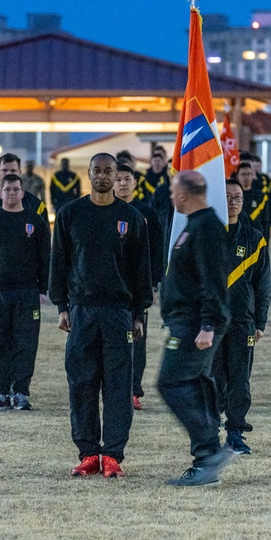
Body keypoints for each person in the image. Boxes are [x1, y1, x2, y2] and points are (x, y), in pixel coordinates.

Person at [50, 153, 152, 480]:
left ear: (116, 174)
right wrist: (61, 306)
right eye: (98, 171)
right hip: (81, 310)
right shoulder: (71, 214)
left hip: (119, 312)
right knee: (81, 382)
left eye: (110, 171)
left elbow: (141, 270)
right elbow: (59, 264)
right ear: (89, 173)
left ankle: (112, 455)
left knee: (118, 385)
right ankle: (88, 453)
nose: (104, 176)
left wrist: (139, 313)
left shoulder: (131, 217)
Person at [156, 170, 233, 487]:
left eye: (174, 191)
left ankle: (209, 454)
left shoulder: (207, 228)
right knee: (198, 383)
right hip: (187, 319)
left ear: (185, 194)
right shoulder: (195, 225)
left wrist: (207, 324)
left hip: (195, 323)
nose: (171, 197)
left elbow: (212, 282)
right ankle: (208, 456)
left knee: (171, 382)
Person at [0, 174, 51, 411]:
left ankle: (22, 392)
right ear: (0, 192)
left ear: (23, 193)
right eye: (8, 190)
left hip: (27, 293)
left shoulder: (35, 222)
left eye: (16, 189)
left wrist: (42, 289)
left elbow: (46, 258)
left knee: (25, 343)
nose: (12, 193)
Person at [212, 178, 270, 456]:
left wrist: (260, 322)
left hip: (242, 321)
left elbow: (262, 284)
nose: (233, 202)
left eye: (238, 198)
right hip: (210, 322)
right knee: (212, 378)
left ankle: (235, 432)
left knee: (239, 379)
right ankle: (209, 433)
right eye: (227, 197)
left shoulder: (254, 238)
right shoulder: (205, 234)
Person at [113, 164, 164, 410]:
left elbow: (156, 253)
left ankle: (134, 390)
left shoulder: (148, 214)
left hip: (137, 287)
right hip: (110, 289)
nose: (123, 183)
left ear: (135, 183)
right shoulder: (104, 211)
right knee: (110, 342)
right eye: (119, 179)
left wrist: (152, 285)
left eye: (127, 179)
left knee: (137, 338)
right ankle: (113, 390)